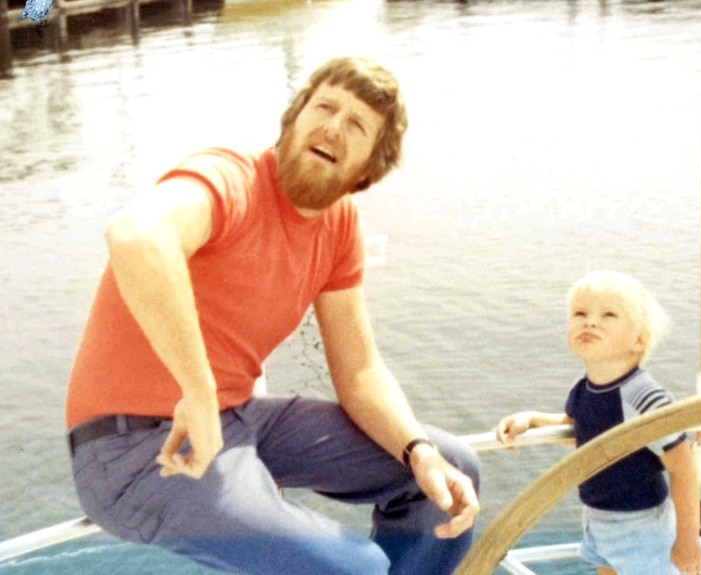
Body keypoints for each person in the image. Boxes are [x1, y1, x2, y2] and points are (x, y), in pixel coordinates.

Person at [66, 56, 480, 575]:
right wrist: (198, 392)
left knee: (450, 471)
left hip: (237, 420)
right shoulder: (229, 178)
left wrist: (418, 451)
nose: (333, 125)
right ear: (293, 120)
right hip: (130, 449)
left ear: (367, 170)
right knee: (357, 569)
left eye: (356, 124)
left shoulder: (339, 226)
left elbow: (359, 371)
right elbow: (137, 238)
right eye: (324, 106)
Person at [495, 270, 701, 575]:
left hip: (642, 526)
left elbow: (682, 466)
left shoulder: (644, 397)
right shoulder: (585, 389)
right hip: (597, 518)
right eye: (579, 313)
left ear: (638, 341)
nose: (590, 321)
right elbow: (581, 433)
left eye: (608, 315)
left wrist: (688, 539)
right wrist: (531, 419)